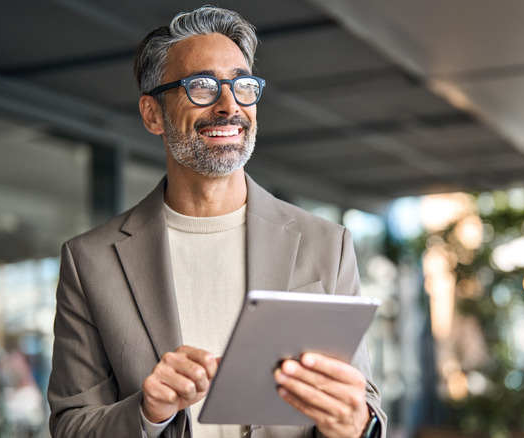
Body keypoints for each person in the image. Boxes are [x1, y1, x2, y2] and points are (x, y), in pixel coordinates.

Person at [47, 6, 385, 438]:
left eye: (243, 86)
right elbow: (71, 425)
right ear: (153, 114)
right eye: (202, 86)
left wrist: (358, 424)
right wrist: (148, 413)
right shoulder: (89, 261)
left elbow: (363, 401)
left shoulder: (327, 244)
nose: (229, 105)